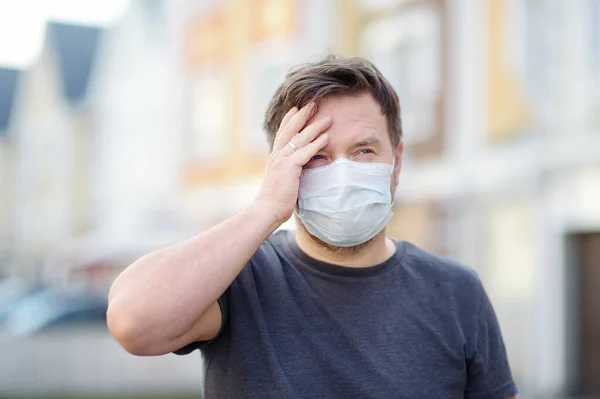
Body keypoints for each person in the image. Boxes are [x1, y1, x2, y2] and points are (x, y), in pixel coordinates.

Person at [107, 55, 518, 399]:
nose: (343, 173)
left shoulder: (455, 290)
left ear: (396, 162)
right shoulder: (238, 277)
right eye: (317, 156)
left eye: (364, 150)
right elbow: (133, 322)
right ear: (282, 166)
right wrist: (266, 207)